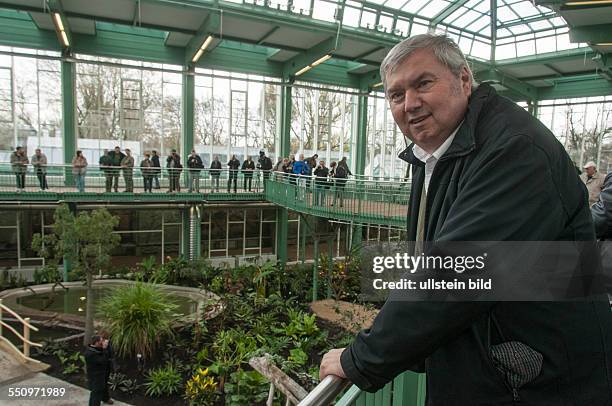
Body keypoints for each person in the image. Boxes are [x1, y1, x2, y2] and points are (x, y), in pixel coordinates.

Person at [319, 34, 612, 405]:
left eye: (423, 83)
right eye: (396, 95)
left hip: (534, 379)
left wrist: (361, 358)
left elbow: (455, 269)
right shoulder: (440, 153)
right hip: (502, 366)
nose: (410, 103)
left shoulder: (514, 149)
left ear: (464, 80)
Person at [85, 335, 113, 406]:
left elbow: (110, 355)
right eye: (101, 342)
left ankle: (105, 398)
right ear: (96, 343)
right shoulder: (90, 353)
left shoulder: (96, 348)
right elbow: (102, 360)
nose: (102, 343)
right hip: (96, 376)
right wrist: (104, 349)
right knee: (96, 392)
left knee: (104, 386)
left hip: (103, 373)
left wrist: (107, 346)